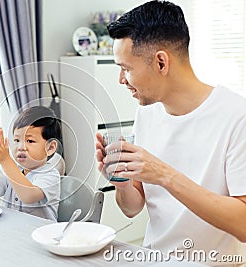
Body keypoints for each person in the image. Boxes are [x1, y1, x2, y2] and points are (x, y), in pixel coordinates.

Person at [95, 0, 246, 263]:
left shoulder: (237, 115)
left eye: (126, 68)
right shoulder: (147, 112)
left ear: (161, 62)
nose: (121, 80)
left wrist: (163, 174)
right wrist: (119, 178)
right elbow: (132, 207)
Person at [0, 106, 61, 221]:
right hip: (12, 231)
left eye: (30, 141)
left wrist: (5, 160)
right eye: (17, 140)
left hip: (40, 235)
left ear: (50, 147)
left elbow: (28, 196)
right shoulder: (14, 170)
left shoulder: (50, 175)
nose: (21, 147)